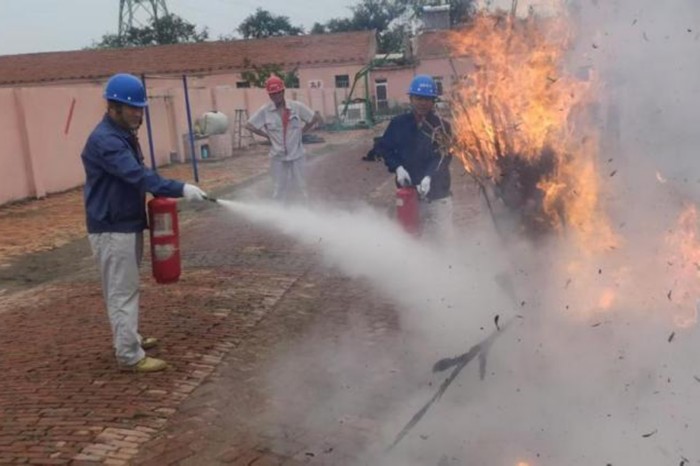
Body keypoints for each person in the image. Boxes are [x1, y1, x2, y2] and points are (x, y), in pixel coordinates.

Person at [81, 73, 208, 373]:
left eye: (141, 108)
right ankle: (129, 355)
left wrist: (171, 187)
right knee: (122, 291)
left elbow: (140, 172)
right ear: (114, 107)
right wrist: (180, 188)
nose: (139, 114)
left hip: (124, 222)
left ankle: (129, 338)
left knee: (122, 288)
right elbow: (137, 175)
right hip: (112, 227)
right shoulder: (107, 141)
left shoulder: (121, 134)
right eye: (133, 108)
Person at [376, 75, 453, 241]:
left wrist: (429, 176)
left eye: (427, 99)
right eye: (418, 98)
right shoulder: (398, 124)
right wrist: (398, 167)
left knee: (442, 240)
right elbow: (385, 149)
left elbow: (444, 157)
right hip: (409, 195)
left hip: (438, 195)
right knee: (410, 239)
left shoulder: (442, 127)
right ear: (411, 99)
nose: (422, 103)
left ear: (433, 101)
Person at [245, 75, 322, 202]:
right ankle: (280, 210)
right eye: (272, 94)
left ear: (283, 91)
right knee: (278, 187)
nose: (275, 96)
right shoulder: (265, 111)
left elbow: (314, 118)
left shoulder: (296, 107)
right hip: (277, 157)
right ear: (269, 95)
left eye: (278, 92)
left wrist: (302, 132)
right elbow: (249, 125)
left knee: (301, 186)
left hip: (297, 155)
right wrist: (267, 135)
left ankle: (304, 208)